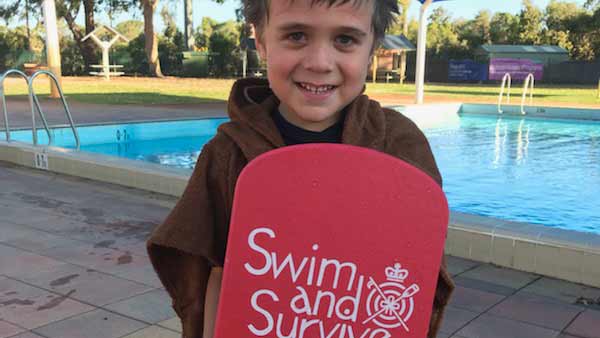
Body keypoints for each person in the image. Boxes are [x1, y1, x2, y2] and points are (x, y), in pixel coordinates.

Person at [147, 1, 454, 337]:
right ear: (261, 42)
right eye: (296, 35)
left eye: (345, 40)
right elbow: (216, 273)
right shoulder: (229, 155)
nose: (319, 62)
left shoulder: (400, 147)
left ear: (371, 50)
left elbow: (415, 278)